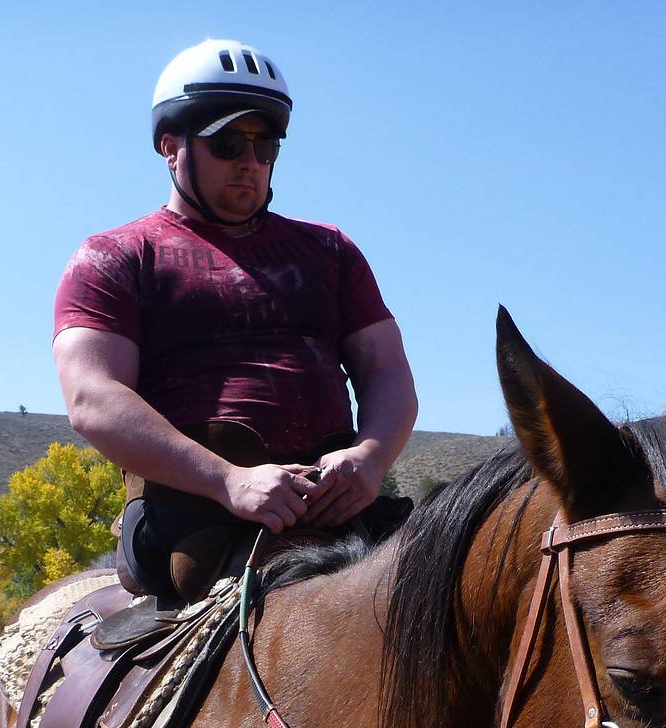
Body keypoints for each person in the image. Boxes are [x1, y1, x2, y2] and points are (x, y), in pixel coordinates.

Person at [52, 38, 418, 604]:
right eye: (227, 144)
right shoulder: (116, 256)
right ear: (171, 147)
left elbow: (386, 368)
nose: (250, 162)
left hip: (336, 504)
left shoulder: (331, 251)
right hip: (193, 511)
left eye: (265, 145)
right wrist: (229, 480)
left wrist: (370, 458)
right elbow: (93, 398)